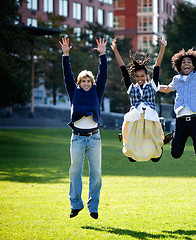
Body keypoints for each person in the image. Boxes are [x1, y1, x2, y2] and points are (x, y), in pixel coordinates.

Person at [59, 37, 108, 219]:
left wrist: (103, 55)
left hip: (94, 138)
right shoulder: (74, 91)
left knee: (96, 173)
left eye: (88, 81)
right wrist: (65, 55)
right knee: (75, 172)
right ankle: (76, 204)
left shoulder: (97, 90)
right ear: (79, 83)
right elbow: (67, 75)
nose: (86, 84)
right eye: (83, 81)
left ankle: (93, 207)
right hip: (77, 138)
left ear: (92, 83)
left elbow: (103, 75)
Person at [111, 37, 167, 162]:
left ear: (146, 76)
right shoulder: (131, 88)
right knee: (131, 157)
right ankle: (125, 134)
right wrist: (115, 50)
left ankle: (161, 128)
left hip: (150, 118)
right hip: (135, 118)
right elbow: (123, 70)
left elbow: (157, 65)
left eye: (142, 76)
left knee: (155, 157)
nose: (139, 78)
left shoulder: (152, 85)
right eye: (137, 76)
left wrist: (162, 47)